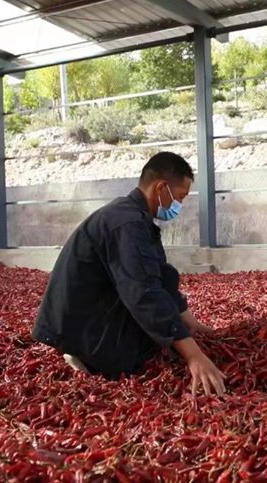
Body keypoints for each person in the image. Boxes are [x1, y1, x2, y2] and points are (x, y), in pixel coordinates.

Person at [32, 152, 226, 396]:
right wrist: (194, 355)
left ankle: (83, 348)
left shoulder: (134, 217)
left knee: (160, 331)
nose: (179, 205)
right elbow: (144, 292)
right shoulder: (127, 224)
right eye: (180, 197)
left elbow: (160, 276)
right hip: (84, 325)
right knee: (138, 353)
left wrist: (189, 323)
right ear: (161, 188)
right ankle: (83, 354)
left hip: (90, 312)